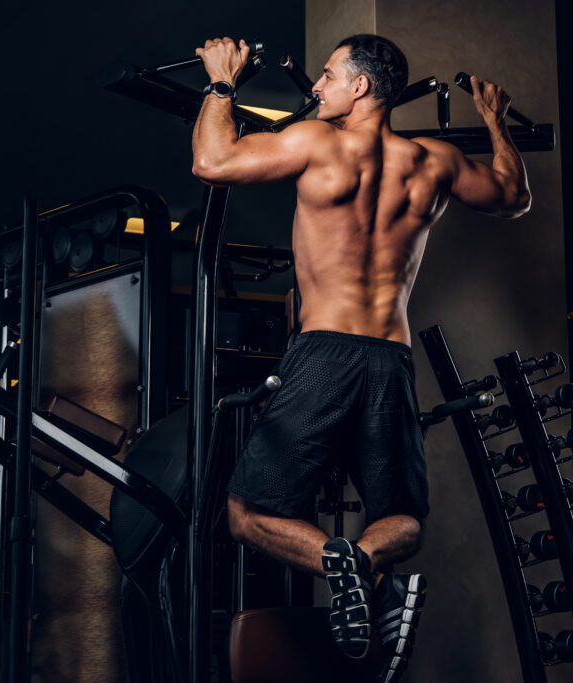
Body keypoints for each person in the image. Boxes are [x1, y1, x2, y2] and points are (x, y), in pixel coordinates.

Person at [193, 33, 531, 682]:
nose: (316, 87)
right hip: (391, 359)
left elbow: (212, 161)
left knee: (244, 515)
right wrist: (493, 118)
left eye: (327, 75)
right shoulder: (434, 161)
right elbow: (514, 196)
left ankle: (333, 556)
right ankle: (357, 557)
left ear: (361, 87)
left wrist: (221, 84)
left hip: (323, 351)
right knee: (402, 522)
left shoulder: (318, 144)